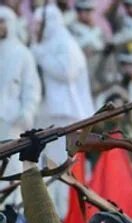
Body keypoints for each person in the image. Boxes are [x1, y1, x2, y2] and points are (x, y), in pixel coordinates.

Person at [29, 4, 94, 177]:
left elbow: (67, 72)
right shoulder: (41, 45)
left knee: (61, 164)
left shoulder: (65, 43)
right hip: (47, 112)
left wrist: (41, 56)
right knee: (46, 163)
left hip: (65, 112)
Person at [0, 5, 41, 210]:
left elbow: (31, 88)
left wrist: (26, 113)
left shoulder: (22, 54)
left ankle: (12, 211)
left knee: (13, 169)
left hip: (12, 123)